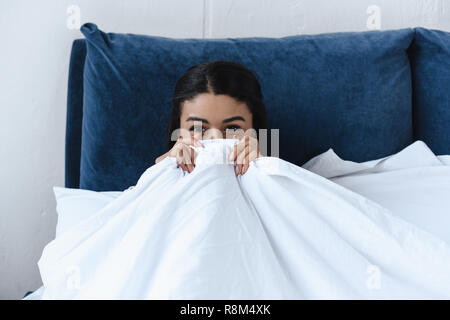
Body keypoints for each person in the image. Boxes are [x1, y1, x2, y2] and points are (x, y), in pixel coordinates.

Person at [155, 60, 268, 176]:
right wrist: (161, 170)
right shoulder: (162, 177)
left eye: (232, 128)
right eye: (198, 128)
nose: (215, 138)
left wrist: (266, 167)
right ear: (179, 129)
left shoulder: (273, 176)